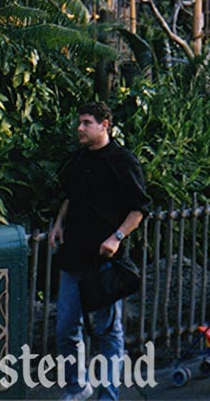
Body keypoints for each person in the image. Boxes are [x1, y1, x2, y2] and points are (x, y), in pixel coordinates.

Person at [50, 101, 150, 401]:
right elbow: (70, 196)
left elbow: (139, 209)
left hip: (105, 261)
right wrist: (58, 225)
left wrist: (117, 237)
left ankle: (109, 394)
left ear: (104, 124)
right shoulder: (78, 160)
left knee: (108, 330)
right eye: (79, 122)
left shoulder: (123, 161)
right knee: (66, 329)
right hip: (73, 257)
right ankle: (77, 387)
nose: (79, 128)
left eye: (86, 123)